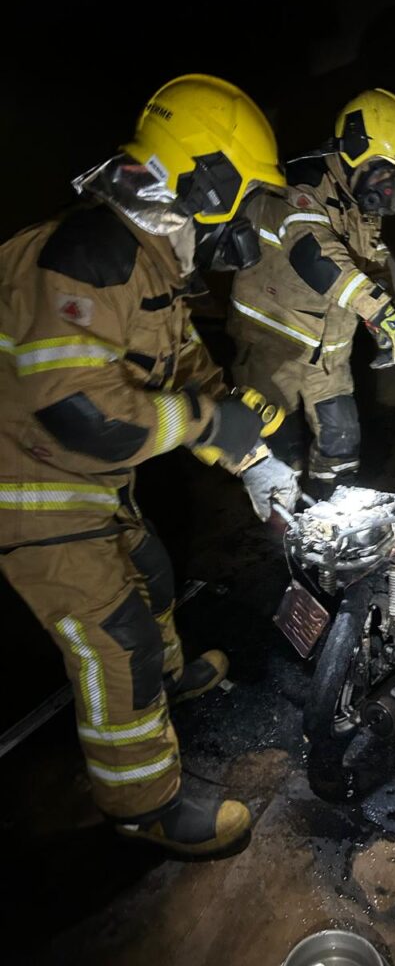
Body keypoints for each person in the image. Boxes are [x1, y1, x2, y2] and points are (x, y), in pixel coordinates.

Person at [0, 74, 299, 857]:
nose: (248, 225)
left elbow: (193, 381)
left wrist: (255, 458)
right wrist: (209, 421)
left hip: (78, 479)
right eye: (247, 199)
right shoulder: (89, 256)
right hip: (25, 487)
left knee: (155, 576)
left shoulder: (153, 270)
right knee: (117, 637)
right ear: (206, 182)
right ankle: (142, 804)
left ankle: (166, 686)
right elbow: (85, 415)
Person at [228, 88, 395, 493]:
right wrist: (378, 311)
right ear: (354, 151)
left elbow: (372, 263)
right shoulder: (300, 184)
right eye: (383, 171)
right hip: (273, 347)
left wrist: (381, 318)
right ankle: (282, 539)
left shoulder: (357, 202)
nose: (389, 186)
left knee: (341, 446)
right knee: (276, 451)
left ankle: (327, 530)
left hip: (330, 357)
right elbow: (314, 253)